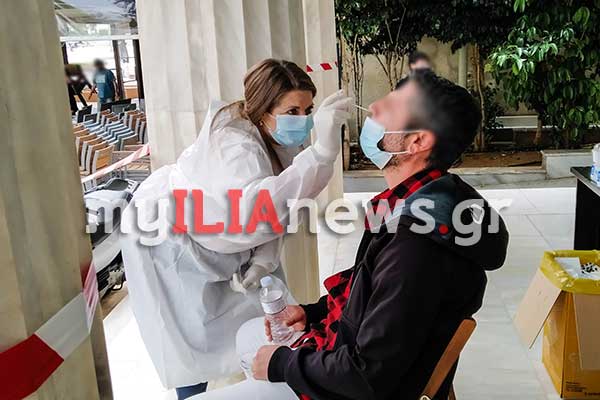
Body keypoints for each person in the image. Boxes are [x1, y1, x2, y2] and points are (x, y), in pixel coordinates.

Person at [196, 70, 508, 399]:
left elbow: (367, 375)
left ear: (417, 141)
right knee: (248, 335)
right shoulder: (427, 198)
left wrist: (282, 364)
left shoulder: (416, 245)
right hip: (343, 355)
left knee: (250, 359)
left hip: (349, 389)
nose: (373, 108)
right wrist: (312, 313)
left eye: (389, 108)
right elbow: (373, 290)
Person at [120, 59, 351, 399]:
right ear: (263, 110)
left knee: (254, 320)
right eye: (292, 111)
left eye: (308, 110)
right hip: (169, 242)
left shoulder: (273, 136)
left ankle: (248, 379)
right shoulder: (235, 148)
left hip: (216, 237)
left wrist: (264, 259)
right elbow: (261, 209)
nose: (303, 120)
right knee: (191, 338)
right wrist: (322, 154)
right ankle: (192, 393)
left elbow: (282, 205)